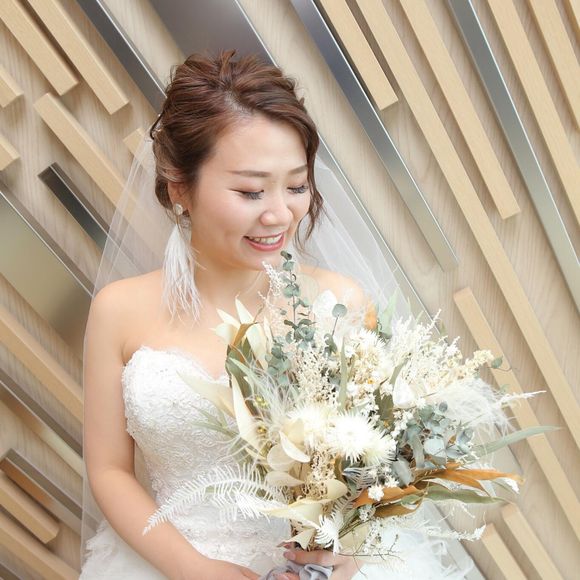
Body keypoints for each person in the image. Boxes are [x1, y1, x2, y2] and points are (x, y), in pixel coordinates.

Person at [79, 49, 470, 579]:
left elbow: (382, 464)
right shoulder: (119, 310)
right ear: (179, 188)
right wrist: (197, 570)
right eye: (250, 191)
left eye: (296, 186)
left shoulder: (341, 305)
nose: (280, 214)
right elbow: (109, 471)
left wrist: (348, 551)